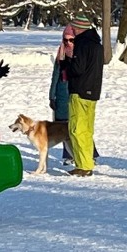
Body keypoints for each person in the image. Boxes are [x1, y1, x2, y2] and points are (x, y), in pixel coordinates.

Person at [62, 14, 104, 177]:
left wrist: (67, 64)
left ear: (78, 28)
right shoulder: (97, 45)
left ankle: (83, 165)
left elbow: (77, 69)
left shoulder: (82, 44)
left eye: (73, 27)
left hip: (79, 91)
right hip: (93, 92)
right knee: (87, 130)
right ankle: (87, 163)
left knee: (76, 129)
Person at [50, 25, 76, 163]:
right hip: (61, 95)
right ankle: (68, 155)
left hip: (74, 94)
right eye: (65, 40)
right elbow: (55, 75)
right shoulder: (61, 53)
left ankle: (90, 154)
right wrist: (51, 95)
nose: (68, 43)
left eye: (71, 40)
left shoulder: (79, 54)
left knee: (76, 126)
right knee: (61, 127)